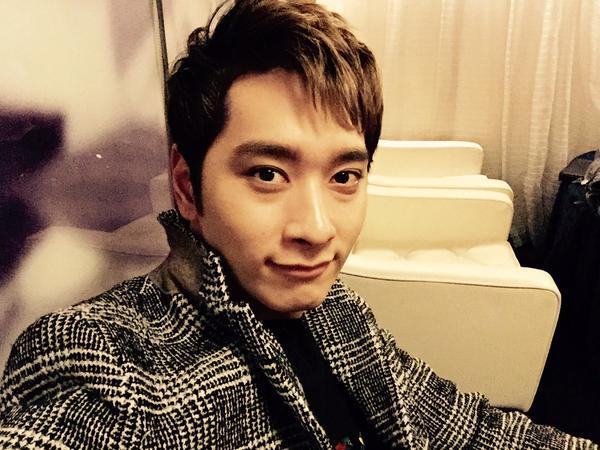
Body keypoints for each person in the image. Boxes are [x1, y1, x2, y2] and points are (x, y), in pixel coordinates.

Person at [0, 0, 597, 448]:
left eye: (344, 176)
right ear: (187, 187)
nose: (316, 229)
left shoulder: (336, 309)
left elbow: (462, 425)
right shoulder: (104, 365)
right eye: (268, 174)